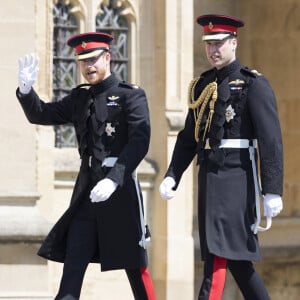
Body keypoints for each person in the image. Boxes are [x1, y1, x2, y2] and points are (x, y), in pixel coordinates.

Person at [16, 32, 156, 300]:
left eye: (93, 59)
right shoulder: (79, 98)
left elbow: (140, 141)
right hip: (87, 194)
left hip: (120, 192)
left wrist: (114, 178)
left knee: (136, 269)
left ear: (107, 57)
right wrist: (25, 91)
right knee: (72, 269)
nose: (88, 66)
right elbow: (42, 114)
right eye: (83, 61)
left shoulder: (130, 96)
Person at [159, 14, 283, 300]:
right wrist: (172, 174)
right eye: (208, 43)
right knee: (237, 261)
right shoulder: (202, 86)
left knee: (217, 256)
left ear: (234, 43)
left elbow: (270, 140)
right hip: (210, 176)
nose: (213, 49)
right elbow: (190, 137)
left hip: (237, 179)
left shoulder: (253, 84)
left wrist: (272, 190)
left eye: (218, 43)